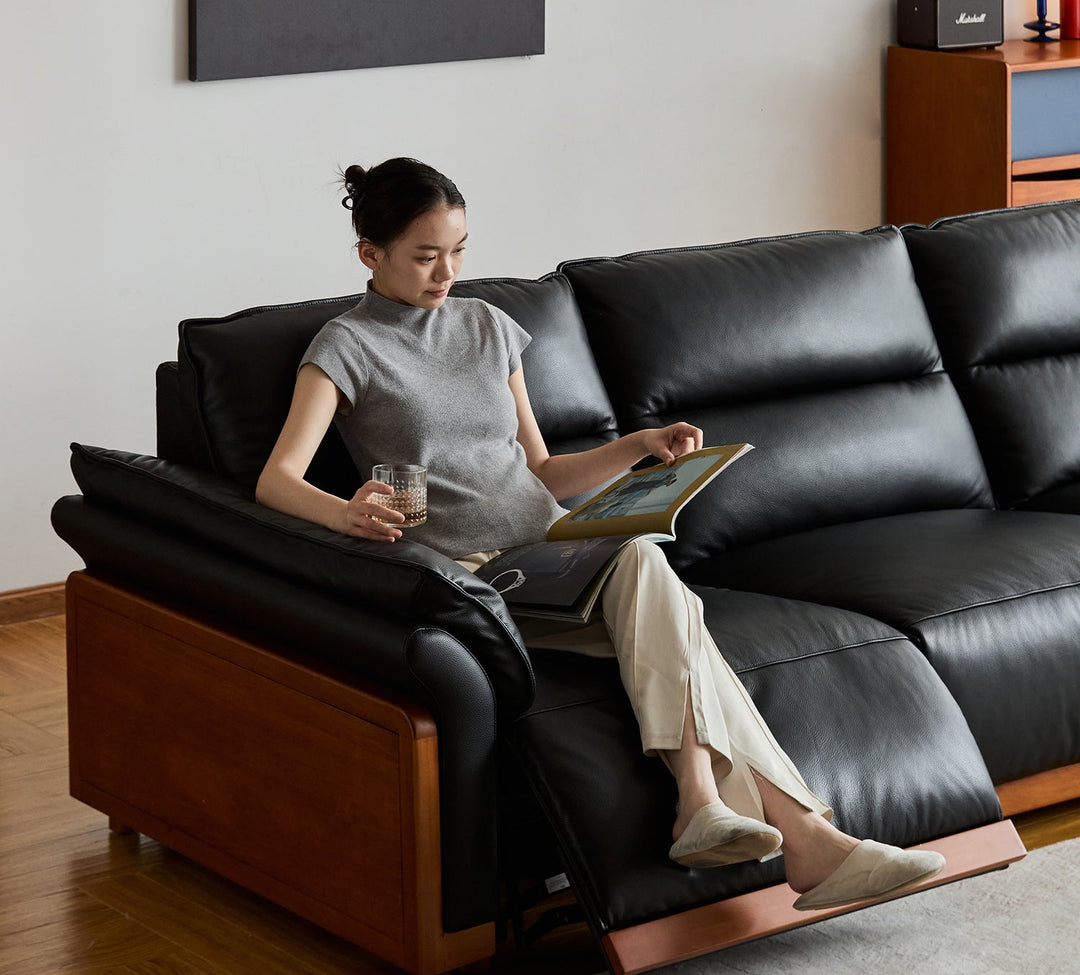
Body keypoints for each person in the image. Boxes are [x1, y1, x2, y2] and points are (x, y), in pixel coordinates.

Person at [256, 157, 945, 911]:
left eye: (458, 249)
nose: (446, 271)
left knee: (654, 584)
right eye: (425, 256)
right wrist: (345, 511)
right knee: (657, 584)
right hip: (480, 580)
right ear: (370, 255)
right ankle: (788, 832)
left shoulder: (487, 326)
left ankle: (737, 818)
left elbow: (542, 471)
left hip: (558, 554)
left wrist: (636, 449)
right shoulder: (345, 347)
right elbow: (277, 479)